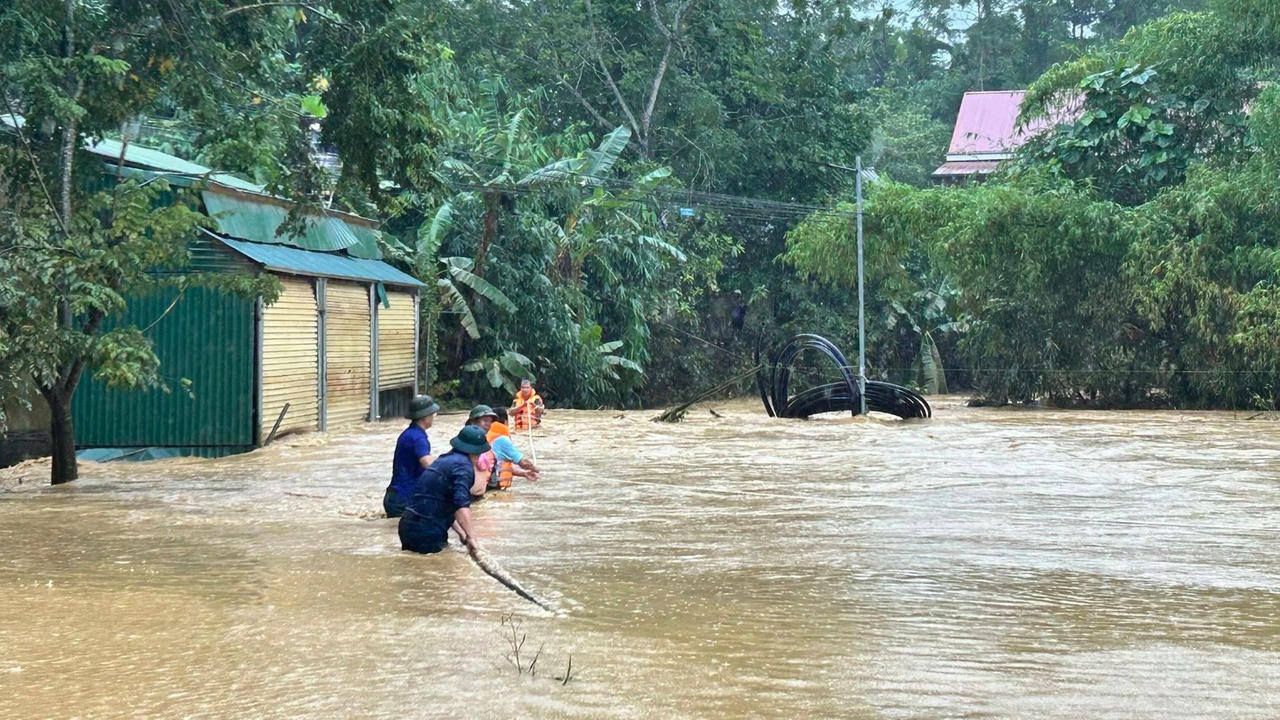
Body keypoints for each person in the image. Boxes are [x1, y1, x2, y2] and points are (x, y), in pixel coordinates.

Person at [398, 425, 491, 554]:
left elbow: (446, 502)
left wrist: (462, 533)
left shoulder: (443, 460)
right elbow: (460, 505)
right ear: (476, 451)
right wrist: (471, 537)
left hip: (408, 525)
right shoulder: (463, 467)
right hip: (428, 529)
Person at [383, 394, 439, 518]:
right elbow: (427, 463)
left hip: (396, 496)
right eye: (433, 415)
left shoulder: (409, 434)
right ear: (425, 417)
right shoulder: (418, 438)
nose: (433, 418)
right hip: (404, 498)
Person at [485, 407, 540, 490]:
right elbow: (523, 462)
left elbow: (498, 465)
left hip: (484, 485)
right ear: (505, 421)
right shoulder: (501, 439)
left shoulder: (486, 435)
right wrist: (536, 469)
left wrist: (524, 473)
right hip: (492, 488)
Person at [464, 405, 499, 497]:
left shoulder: (486, 442)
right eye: (485, 421)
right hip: (467, 496)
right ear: (473, 422)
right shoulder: (465, 443)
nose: (488, 424)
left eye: (490, 421)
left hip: (483, 493)